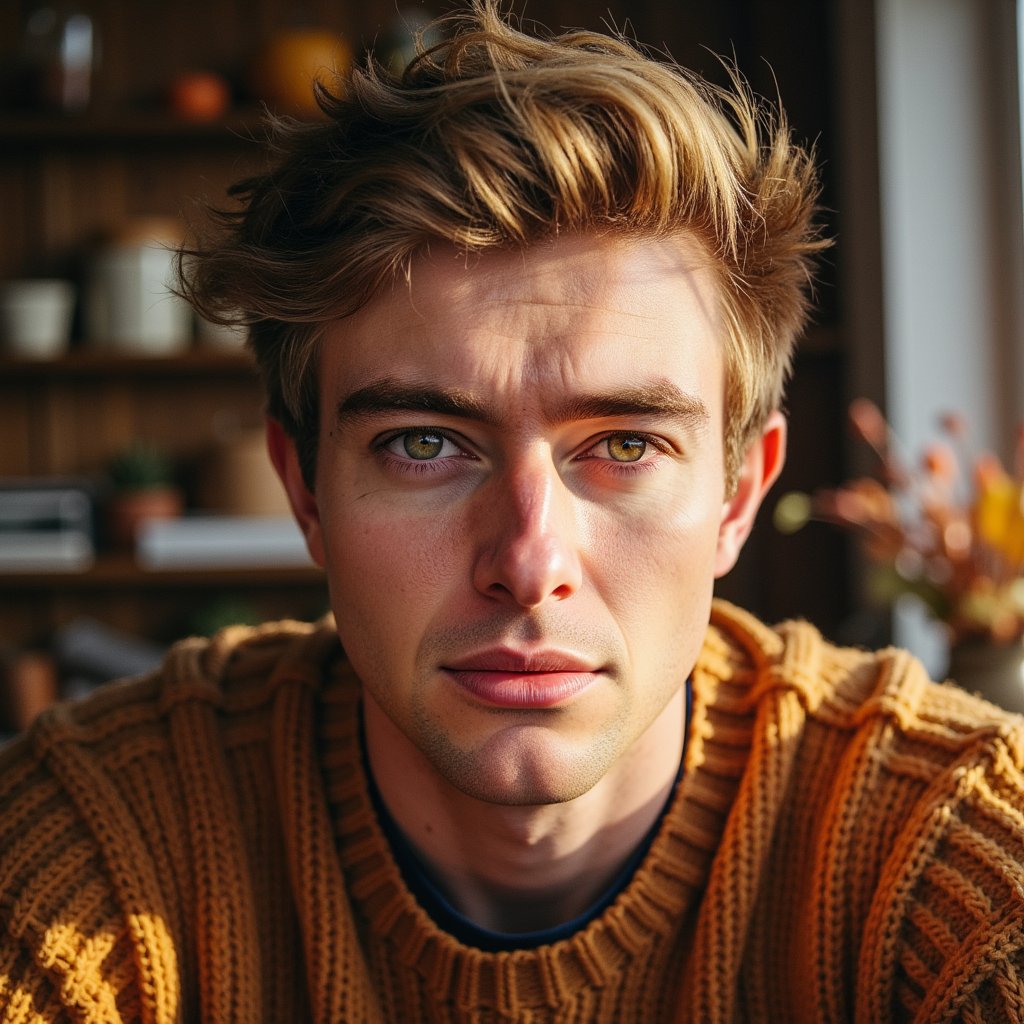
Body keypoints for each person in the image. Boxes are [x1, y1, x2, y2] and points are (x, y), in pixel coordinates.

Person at [3, 3, 1024, 1021]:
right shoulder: (95, 838)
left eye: (624, 445)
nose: (530, 563)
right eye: (424, 443)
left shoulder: (945, 842)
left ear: (737, 491)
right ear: (305, 488)